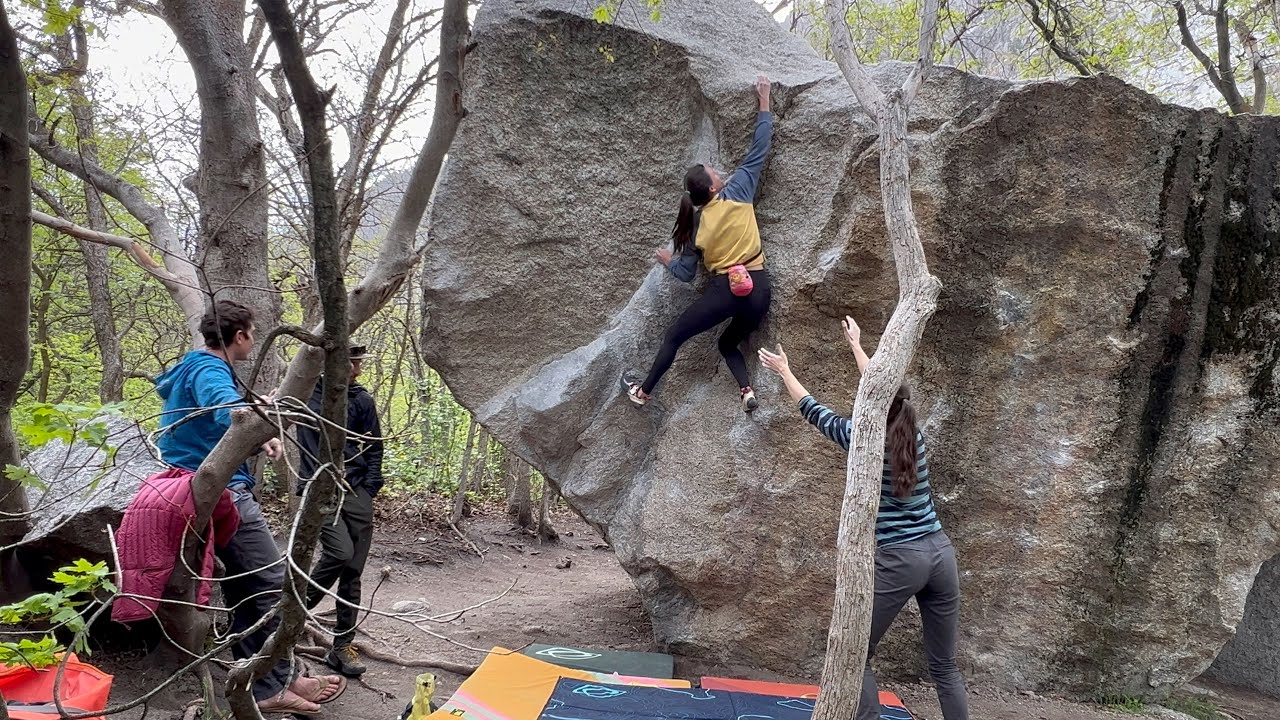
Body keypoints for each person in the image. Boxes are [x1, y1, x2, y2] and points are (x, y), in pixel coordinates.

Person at [758, 316, 969, 720]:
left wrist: (786, 370)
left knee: (855, 655)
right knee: (944, 667)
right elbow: (883, 389)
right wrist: (856, 345)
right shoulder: (914, 435)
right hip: (942, 555)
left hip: (900, 559)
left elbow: (812, 411)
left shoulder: (863, 438)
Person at [155, 299, 346, 717]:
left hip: (212, 486)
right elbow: (226, 408)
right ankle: (269, 689)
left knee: (246, 590)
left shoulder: (193, 365)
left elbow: (218, 412)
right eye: (253, 333)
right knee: (273, 583)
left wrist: (260, 429)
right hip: (225, 492)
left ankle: (278, 676)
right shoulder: (209, 369)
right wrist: (256, 423)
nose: (254, 341)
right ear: (240, 336)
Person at [624, 74, 775, 413]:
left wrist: (667, 260)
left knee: (674, 336)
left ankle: (642, 392)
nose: (719, 172)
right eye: (714, 172)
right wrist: (764, 101)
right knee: (728, 342)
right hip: (760, 289)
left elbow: (687, 273)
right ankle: (747, 391)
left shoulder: (694, 223)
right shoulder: (739, 191)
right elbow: (760, 146)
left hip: (724, 293)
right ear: (711, 188)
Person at [296, 345, 385, 678]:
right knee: (340, 553)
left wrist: (370, 487)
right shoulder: (306, 396)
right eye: (353, 362)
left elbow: (374, 446)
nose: (358, 369)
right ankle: (290, 616)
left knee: (353, 573)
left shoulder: (362, 400)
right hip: (320, 490)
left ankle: (341, 646)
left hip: (357, 491)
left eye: (359, 363)